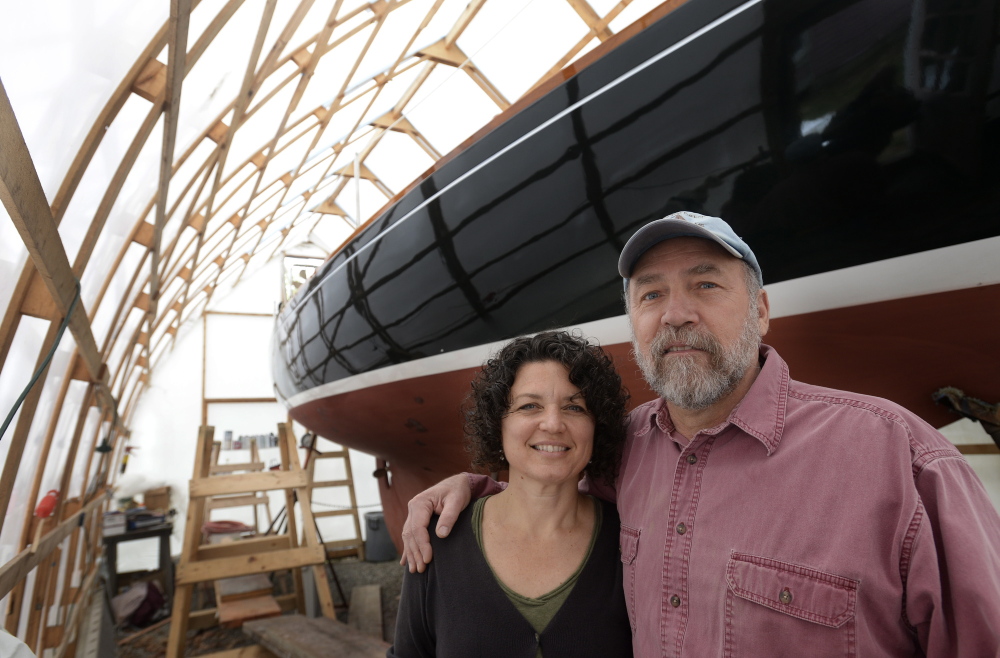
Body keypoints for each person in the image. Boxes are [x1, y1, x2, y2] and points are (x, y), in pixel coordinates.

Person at [399, 212, 1000, 656]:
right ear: (633, 323)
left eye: (706, 285)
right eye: (652, 294)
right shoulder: (625, 448)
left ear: (761, 310)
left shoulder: (899, 457)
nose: (676, 312)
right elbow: (549, 472)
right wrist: (473, 485)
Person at [388, 331, 633, 657]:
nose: (553, 423)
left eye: (574, 407)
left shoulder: (628, 541)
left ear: (596, 425)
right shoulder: (439, 539)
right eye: (530, 405)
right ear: (497, 425)